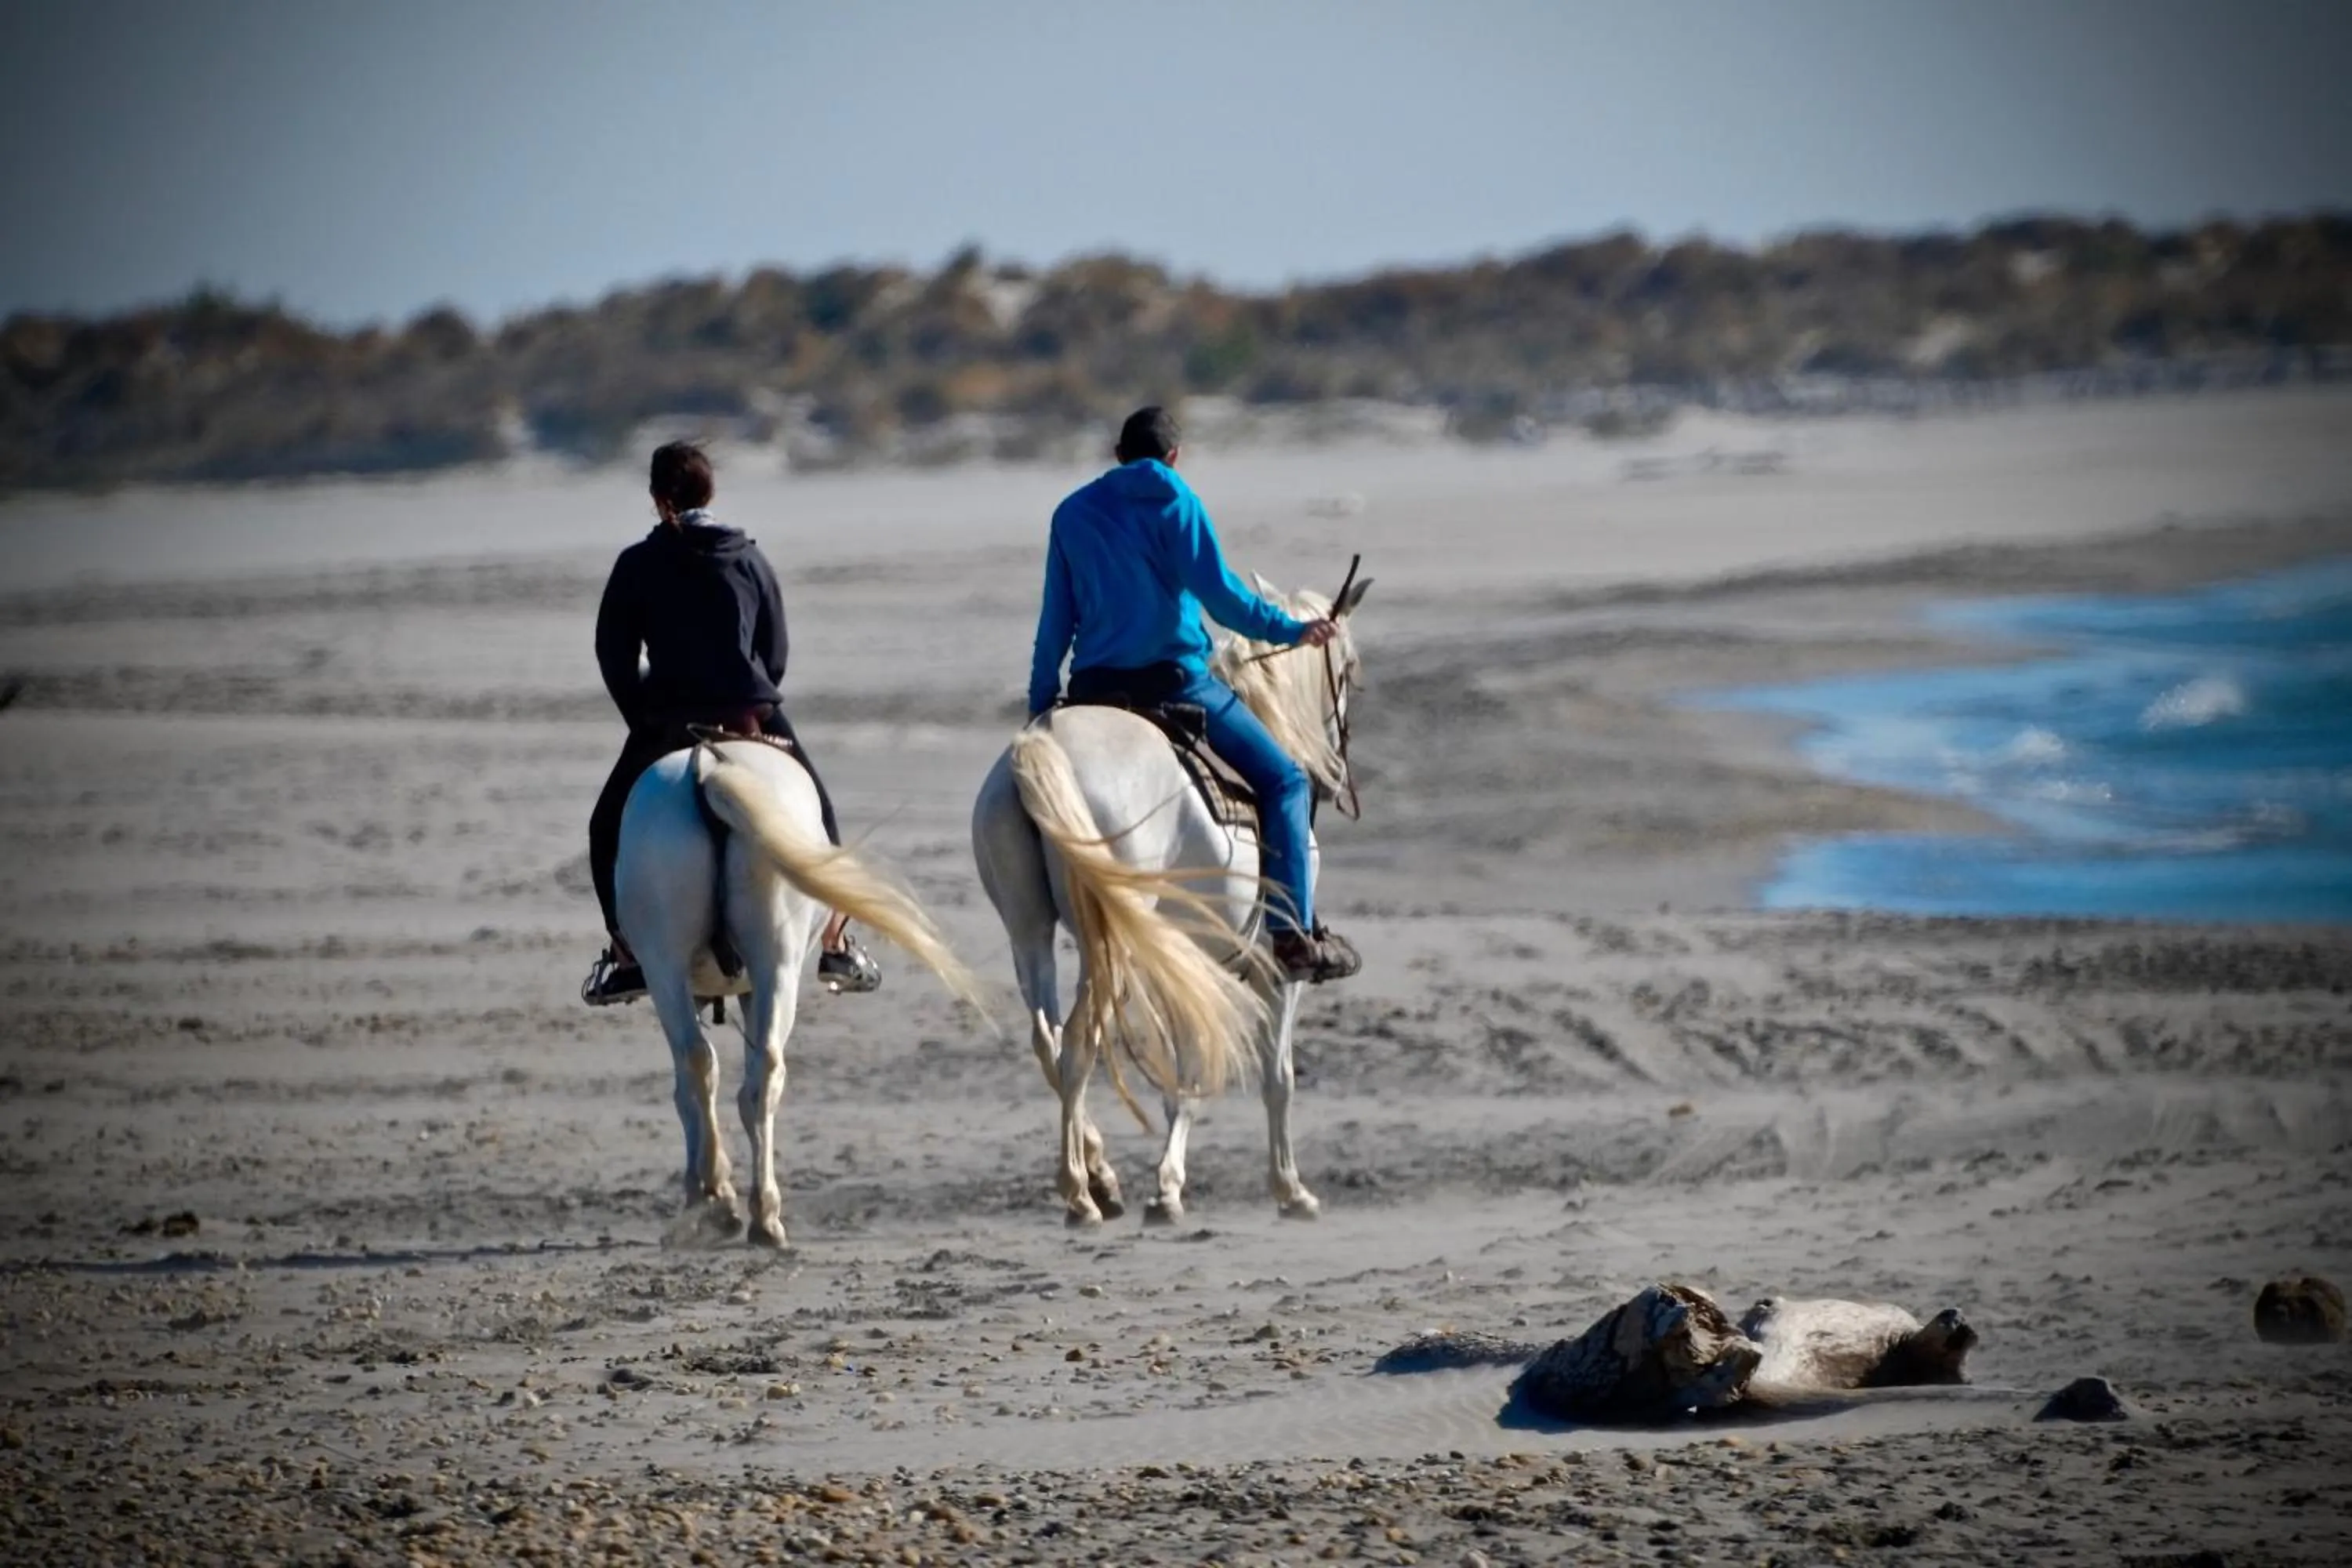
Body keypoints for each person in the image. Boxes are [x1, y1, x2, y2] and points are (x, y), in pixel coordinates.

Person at [1027, 406, 1361, 982]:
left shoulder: (1071, 513)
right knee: (1286, 780)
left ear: (1118, 455)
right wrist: (1292, 630)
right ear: (1174, 457)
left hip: (1093, 690)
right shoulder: (1176, 500)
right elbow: (1224, 598)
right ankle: (1291, 933)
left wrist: (1039, 707)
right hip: (1174, 682)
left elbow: (1054, 623)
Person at [582, 441, 880, 1005]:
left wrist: (641, 717)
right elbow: (776, 648)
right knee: (823, 814)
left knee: (604, 829)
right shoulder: (748, 557)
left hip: (670, 717)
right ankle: (837, 938)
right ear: (709, 493)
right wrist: (755, 700)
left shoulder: (639, 563)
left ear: (657, 499)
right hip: (748, 712)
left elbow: (612, 652)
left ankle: (623, 954)